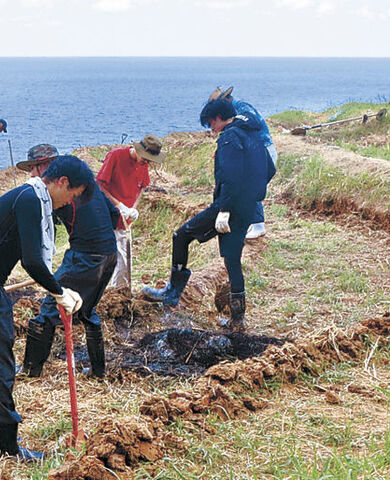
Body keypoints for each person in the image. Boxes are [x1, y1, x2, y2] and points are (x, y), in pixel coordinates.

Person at [0, 155, 88, 462]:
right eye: (71, 196)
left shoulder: (33, 198)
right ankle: (6, 449)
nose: (68, 203)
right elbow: (31, 261)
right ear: (62, 183)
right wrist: (58, 293)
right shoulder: (30, 199)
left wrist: (59, 289)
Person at [141, 99, 276, 329]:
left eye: (210, 123)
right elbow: (269, 168)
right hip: (246, 208)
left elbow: (230, 177)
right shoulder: (253, 133)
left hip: (227, 207)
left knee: (181, 236)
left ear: (218, 118)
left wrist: (223, 210)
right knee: (232, 259)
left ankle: (172, 293)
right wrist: (251, 195)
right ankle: (238, 319)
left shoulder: (229, 137)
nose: (210, 128)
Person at [21, 156, 120, 379]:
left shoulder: (57, 194)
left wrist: (84, 240)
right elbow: (114, 215)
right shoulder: (87, 185)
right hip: (109, 254)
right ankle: (98, 371)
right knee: (86, 309)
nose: (31, 175)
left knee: (49, 310)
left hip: (85, 256)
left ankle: (30, 370)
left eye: (33, 169)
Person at [96, 134, 166, 288]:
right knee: (105, 257)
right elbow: (100, 185)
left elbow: (142, 186)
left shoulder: (143, 164)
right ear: (137, 150)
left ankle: (120, 293)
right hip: (107, 215)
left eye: (149, 160)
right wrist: (119, 205)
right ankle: (100, 294)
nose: (146, 163)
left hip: (125, 218)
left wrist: (134, 208)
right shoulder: (116, 156)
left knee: (124, 259)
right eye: (145, 159)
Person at [211, 86, 277, 239]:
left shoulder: (241, 107)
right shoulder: (232, 118)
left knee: (249, 186)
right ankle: (251, 222)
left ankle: (258, 224)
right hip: (253, 151)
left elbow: (251, 121)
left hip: (262, 149)